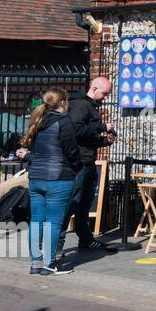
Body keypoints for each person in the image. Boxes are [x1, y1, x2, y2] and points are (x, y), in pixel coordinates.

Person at [20, 89, 81, 276]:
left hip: (36, 177)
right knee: (53, 223)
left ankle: (36, 263)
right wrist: (77, 167)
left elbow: (33, 150)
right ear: (62, 102)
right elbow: (71, 151)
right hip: (58, 177)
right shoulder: (64, 122)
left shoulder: (37, 121)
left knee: (36, 221)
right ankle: (49, 263)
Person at [62, 77, 118, 254]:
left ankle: (85, 240)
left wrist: (103, 141)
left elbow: (86, 137)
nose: (106, 97)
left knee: (84, 204)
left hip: (88, 161)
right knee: (72, 203)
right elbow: (75, 129)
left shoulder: (89, 106)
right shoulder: (80, 105)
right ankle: (54, 246)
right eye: (105, 93)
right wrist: (102, 126)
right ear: (94, 89)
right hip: (79, 164)